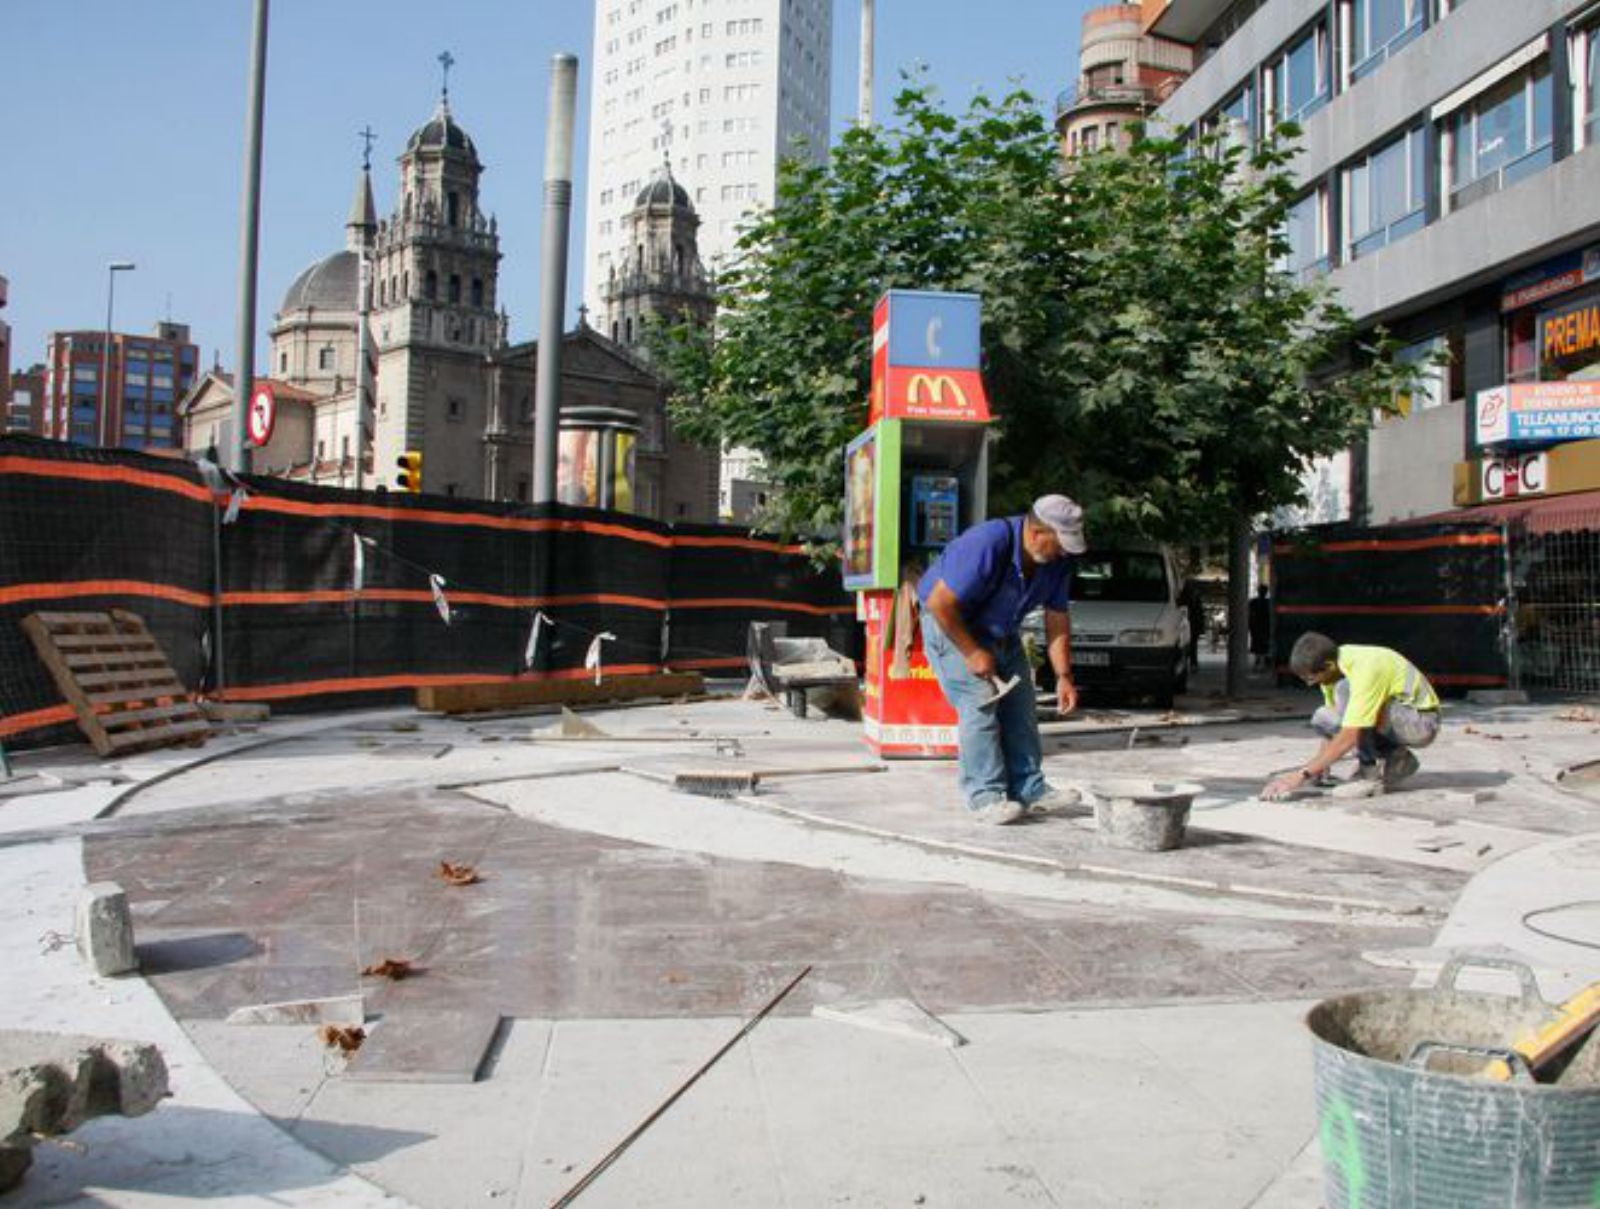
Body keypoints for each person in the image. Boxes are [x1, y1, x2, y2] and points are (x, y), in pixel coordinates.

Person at [918, 494, 1085, 825]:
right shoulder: (988, 542)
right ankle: (985, 796)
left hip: (1000, 628)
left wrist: (1063, 675)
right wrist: (972, 651)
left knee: (1021, 706)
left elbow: (1056, 618)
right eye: (1060, 544)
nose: (1065, 552)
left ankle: (1030, 789)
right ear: (1038, 534)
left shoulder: (1058, 562)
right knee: (979, 703)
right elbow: (940, 603)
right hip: (950, 625)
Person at [1261, 631, 1441, 801]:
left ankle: (1369, 777)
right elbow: (1334, 725)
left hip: (1421, 723)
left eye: (1311, 678)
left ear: (1328, 666)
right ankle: (1397, 758)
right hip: (1397, 720)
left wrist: (1301, 775)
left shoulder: (1364, 669)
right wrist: (1318, 767)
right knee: (1323, 717)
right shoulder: (1333, 668)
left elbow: (1351, 733)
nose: (1310, 684)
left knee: (1347, 693)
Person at [1248, 583, 1272, 672]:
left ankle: (1258, 662)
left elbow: (1250, 615)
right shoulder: (1268, 603)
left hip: (1256, 627)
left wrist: (1250, 626)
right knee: (1264, 645)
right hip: (1265, 627)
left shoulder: (1253, 602)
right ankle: (1263, 662)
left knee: (1257, 645)